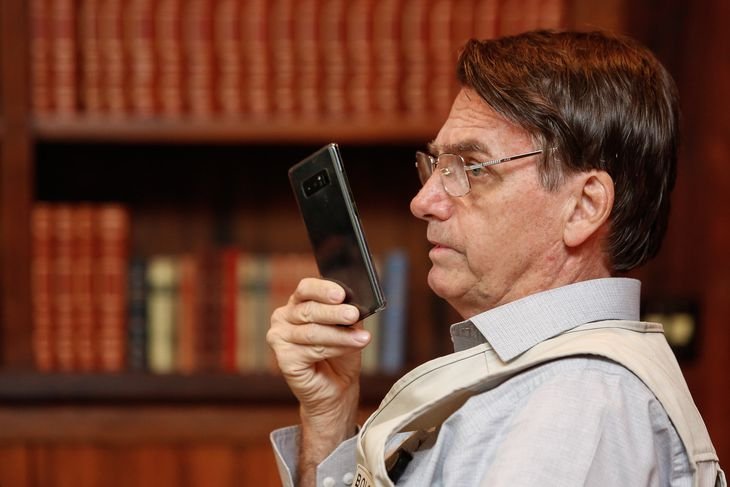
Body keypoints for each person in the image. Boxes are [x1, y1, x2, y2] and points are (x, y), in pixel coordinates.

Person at [267, 30, 724, 486]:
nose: (423, 201)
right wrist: (329, 417)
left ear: (584, 207)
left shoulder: (576, 402)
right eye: (435, 166)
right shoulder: (543, 383)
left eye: (471, 168)